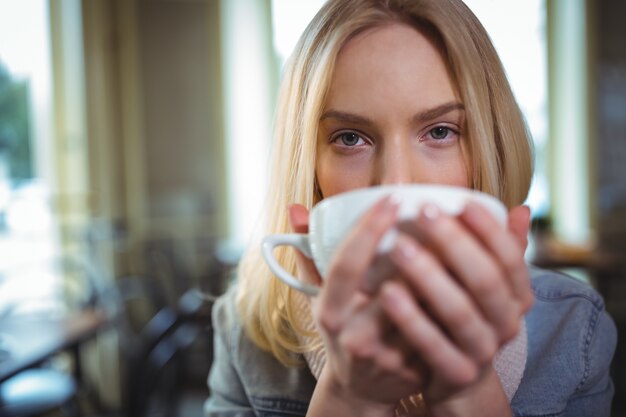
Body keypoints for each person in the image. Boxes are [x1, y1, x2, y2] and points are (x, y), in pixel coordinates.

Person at [205, 0, 617, 415]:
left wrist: (470, 394)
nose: (396, 185)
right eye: (350, 138)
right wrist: (348, 398)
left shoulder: (574, 327)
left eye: (440, 131)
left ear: (491, 147)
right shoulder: (245, 329)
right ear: (308, 167)